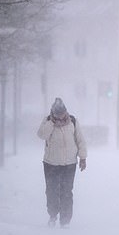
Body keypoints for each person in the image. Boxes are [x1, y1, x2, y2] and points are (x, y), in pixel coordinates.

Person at [37, 97, 87, 228]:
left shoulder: (73, 121)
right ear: (53, 113)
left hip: (69, 163)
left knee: (67, 191)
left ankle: (65, 220)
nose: (61, 116)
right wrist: (52, 123)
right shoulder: (48, 121)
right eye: (58, 114)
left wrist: (82, 158)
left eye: (62, 113)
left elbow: (80, 140)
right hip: (51, 163)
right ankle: (53, 215)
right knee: (51, 191)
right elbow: (41, 135)